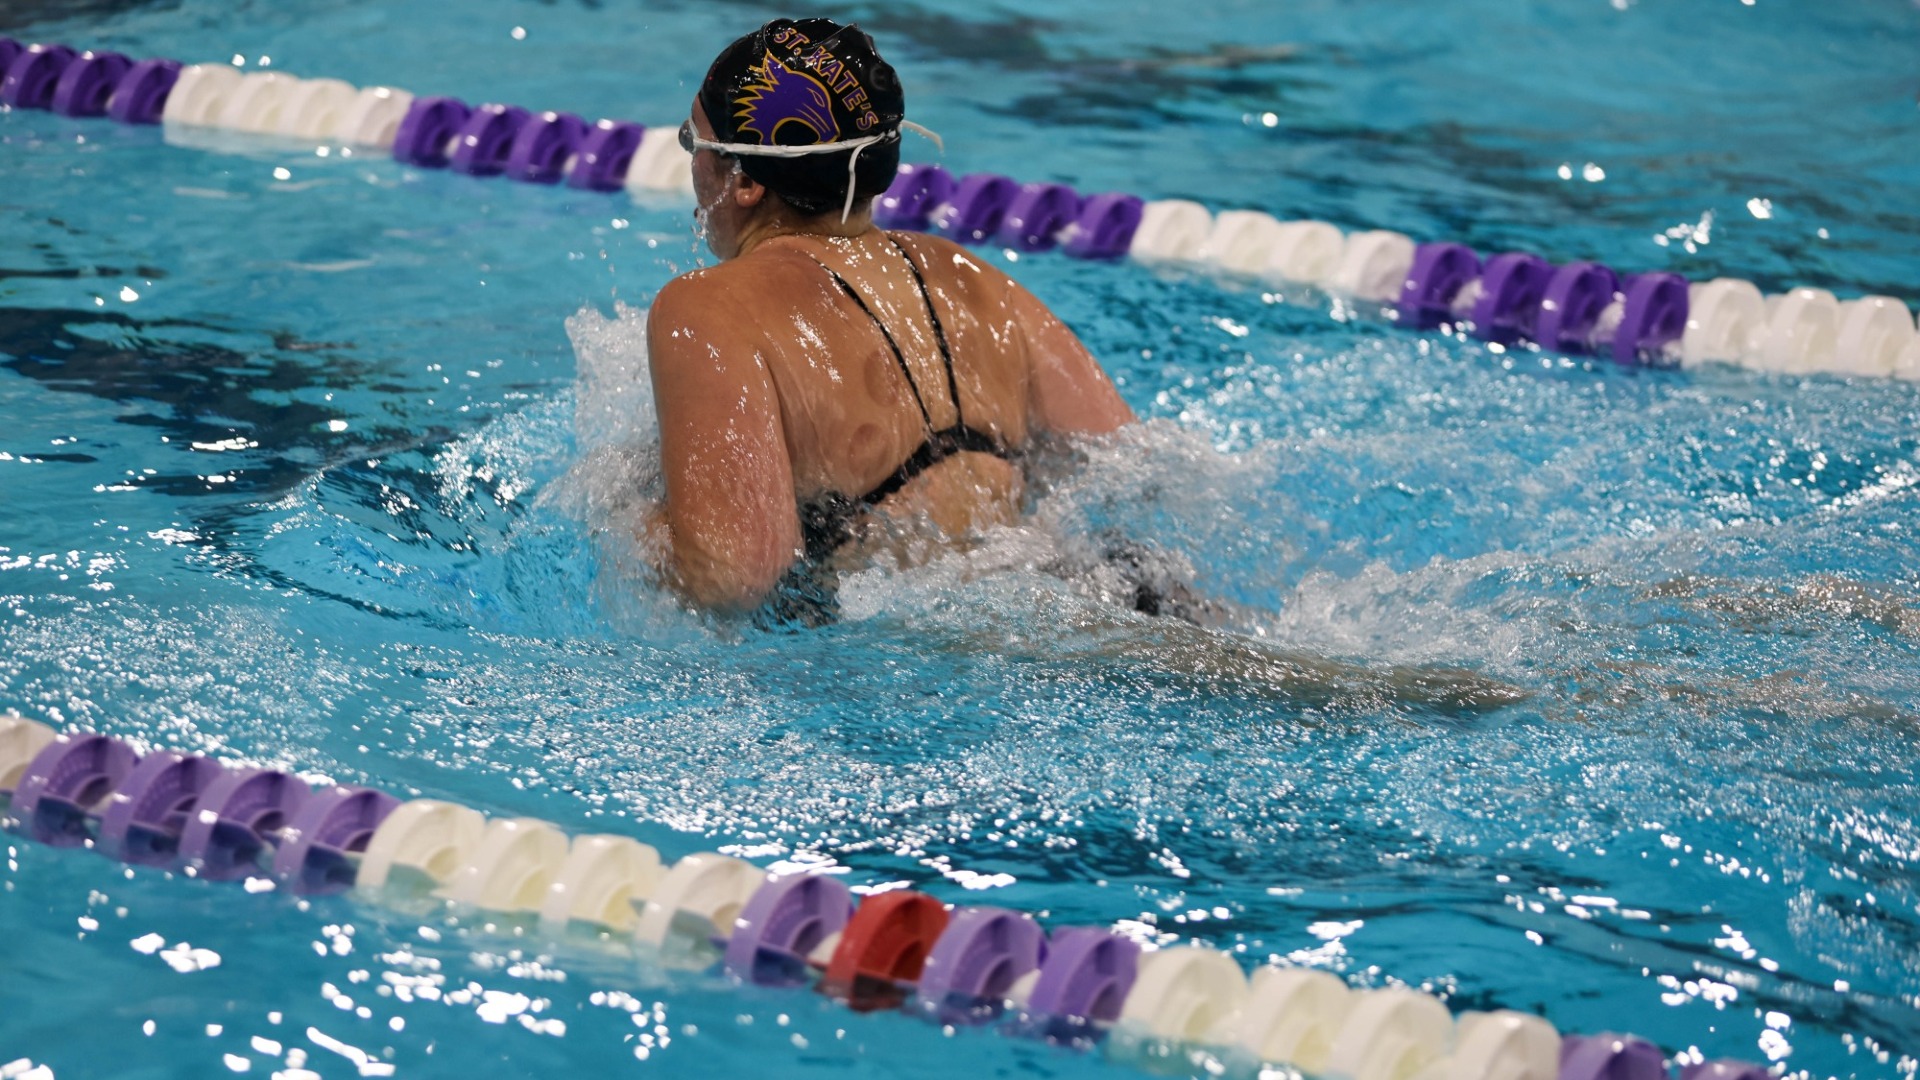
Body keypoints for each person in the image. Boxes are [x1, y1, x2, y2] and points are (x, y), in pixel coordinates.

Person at [646, 17, 1133, 619]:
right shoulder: (967, 277)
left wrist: (619, 512)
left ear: (744, 180)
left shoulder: (706, 308)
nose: (692, 167)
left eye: (695, 144)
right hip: (1094, 592)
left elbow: (728, 579)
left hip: (960, 655)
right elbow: (1127, 463)